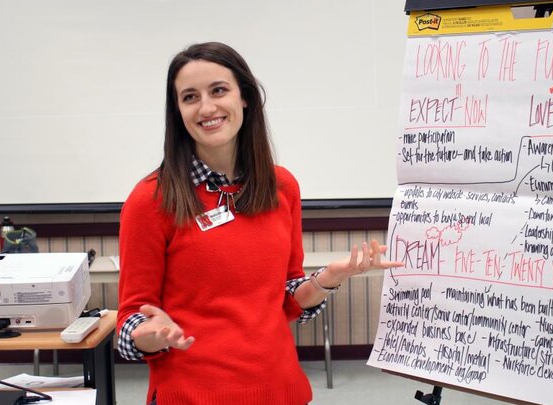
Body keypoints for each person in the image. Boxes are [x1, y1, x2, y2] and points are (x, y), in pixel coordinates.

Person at [116, 41, 403, 405]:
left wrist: (330, 278)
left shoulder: (281, 186)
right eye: (190, 97)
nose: (206, 107)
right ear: (178, 111)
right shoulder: (151, 200)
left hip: (279, 389)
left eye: (218, 90)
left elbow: (287, 298)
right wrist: (150, 334)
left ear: (245, 97)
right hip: (192, 395)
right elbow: (129, 323)